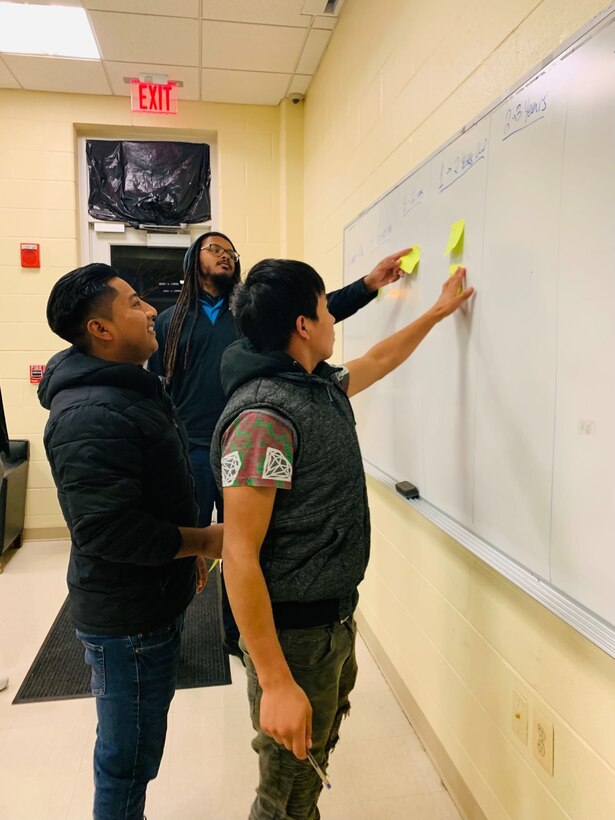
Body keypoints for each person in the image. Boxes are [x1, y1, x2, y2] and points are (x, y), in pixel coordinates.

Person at [209, 259, 474, 819]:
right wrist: (277, 682)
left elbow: (378, 359)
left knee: (311, 765)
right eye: (327, 307)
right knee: (285, 797)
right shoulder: (264, 417)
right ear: (304, 325)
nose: (333, 317)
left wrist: (436, 312)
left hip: (330, 620)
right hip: (293, 635)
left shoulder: (315, 385)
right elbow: (239, 553)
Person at [149, 231, 410, 656]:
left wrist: (366, 285)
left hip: (258, 449)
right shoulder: (169, 322)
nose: (226, 256)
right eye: (215, 248)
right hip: (195, 449)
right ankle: (170, 635)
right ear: (192, 260)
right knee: (196, 550)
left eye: (232, 251)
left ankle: (241, 639)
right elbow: (159, 387)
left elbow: (311, 314)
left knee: (246, 545)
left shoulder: (247, 316)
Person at [38, 263, 223, 820]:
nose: (151, 313)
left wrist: (185, 554)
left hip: (147, 600)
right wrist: (203, 539)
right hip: (128, 622)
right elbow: (108, 532)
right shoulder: (91, 414)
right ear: (100, 330)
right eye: (136, 303)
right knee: (127, 761)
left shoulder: (129, 386)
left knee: (134, 750)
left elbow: (153, 495)